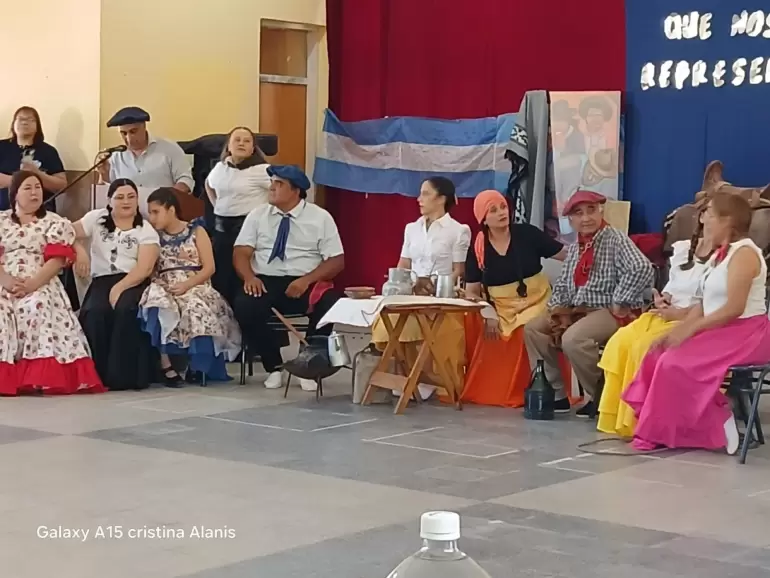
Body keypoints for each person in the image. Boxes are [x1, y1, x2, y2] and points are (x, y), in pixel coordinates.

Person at [622, 192, 770, 454]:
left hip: (746, 333)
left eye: (710, 213)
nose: (704, 219)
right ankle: (668, 430)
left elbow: (733, 309)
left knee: (674, 363)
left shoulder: (745, 254)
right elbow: (703, 304)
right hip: (722, 329)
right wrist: (679, 330)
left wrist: (691, 329)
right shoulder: (719, 255)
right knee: (657, 353)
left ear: (728, 220)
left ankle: (717, 419)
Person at [523, 190, 653, 416]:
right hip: (579, 309)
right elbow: (564, 284)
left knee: (574, 339)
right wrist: (556, 310)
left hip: (608, 309)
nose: (586, 218)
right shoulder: (576, 247)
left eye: (591, 211)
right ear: (571, 220)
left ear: (600, 211)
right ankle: (556, 394)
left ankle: (603, 396)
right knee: (534, 329)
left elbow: (641, 268)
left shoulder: (615, 239)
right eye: (578, 213)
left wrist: (620, 299)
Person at [598, 217, 713, 436]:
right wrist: (663, 299)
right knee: (620, 342)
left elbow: (714, 303)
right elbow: (673, 287)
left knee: (643, 347)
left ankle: (644, 419)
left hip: (692, 320)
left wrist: (679, 314)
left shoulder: (723, 258)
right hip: (666, 314)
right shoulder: (684, 249)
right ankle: (619, 416)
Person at [233, 165, 344, 391]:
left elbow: (336, 260)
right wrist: (249, 277)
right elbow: (241, 252)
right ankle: (274, 365)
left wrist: (306, 280)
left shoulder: (320, 217)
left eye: (279, 184)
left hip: (306, 281)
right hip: (265, 280)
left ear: (296, 190)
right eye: (272, 182)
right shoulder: (258, 215)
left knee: (330, 302)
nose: (271, 188)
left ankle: (308, 363)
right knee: (244, 305)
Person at [0, 171, 103, 395]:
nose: (34, 193)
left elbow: (57, 260)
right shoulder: (1, 220)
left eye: (37, 187)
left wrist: (31, 284)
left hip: (40, 280)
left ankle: (37, 378)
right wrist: (6, 281)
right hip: (4, 280)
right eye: (28, 188)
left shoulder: (53, 222)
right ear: (14, 194)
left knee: (37, 304)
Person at [462, 190, 566, 407]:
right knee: (487, 330)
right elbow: (471, 291)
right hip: (503, 308)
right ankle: (497, 389)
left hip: (539, 300)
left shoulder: (527, 233)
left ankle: (542, 389)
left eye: (503, 207)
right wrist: (488, 312)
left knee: (528, 329)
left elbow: (564, 254)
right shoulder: (478, 248)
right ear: (483, 219)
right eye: (493, 210)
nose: (502, 213)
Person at [372, 177, 471, 400]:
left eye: (426, 194)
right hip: (412, 294)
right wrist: (399, 284)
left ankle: (428, 377)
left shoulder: (458, 230)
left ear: (441, 199)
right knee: (389, 319)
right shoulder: (412, 228)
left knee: (433, 325)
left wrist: (436, 286)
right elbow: (404, 264)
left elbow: (458, 270)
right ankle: (407, 373)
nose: (419, 199)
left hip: (440, 297)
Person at [139, 188, 241, 384]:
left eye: (156, 212)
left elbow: (209, 267)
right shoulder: (153, 237)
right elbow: (150, 266)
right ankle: (166, 365)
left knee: (194, 306)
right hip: (165, 283)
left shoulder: (196, 231)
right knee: (157, 303)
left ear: (171, 210)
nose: (152, 218)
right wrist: (160, 282)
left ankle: (198, 366)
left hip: (195, 282)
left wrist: (187, 284)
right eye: (150, 212)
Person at [73, 178, 160, 390]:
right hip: (102, 279)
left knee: (125, 309)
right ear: (110, 201)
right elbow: (65, 231)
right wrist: (80, 251)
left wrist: (119, 288)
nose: (126, 201)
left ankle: (123, 378)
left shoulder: (145, 229)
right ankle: (96, 376)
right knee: (95, 312)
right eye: (120, 197)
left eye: (131, 197)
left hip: (133, 280)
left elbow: (145, 268)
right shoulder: (96, 218)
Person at [204, 126, 271, 304]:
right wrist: (217, 205)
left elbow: (280, 192)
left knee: (241, 279)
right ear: (228, 146)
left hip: (248, 231)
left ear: (253, 148)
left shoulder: (263, 170)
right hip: (221, 231)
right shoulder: (221, 167)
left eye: (247, 141)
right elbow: (208, 184)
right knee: (221, 277)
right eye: (237, 140)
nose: (241, 143)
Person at [98, 107, 194, 193]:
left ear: (144, 127)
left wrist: (168, 198)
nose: (129, 139)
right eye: (124, 133)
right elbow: (109, 192)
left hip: (164, 206)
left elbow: (186, 180)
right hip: (129, 207)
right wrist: (104, 174)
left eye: (133, 132)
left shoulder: (169, 149)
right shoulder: (116, 157)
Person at [0, 106, 67, 211]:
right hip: (4, 213)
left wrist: (37, 174)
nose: (24, 122)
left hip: (41, 213)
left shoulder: (48, 151)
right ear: (13, 124)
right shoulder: (2, 147)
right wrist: (18, 180)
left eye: (30, 119)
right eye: (20, 119)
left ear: (37, 125)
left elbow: (62, 186)